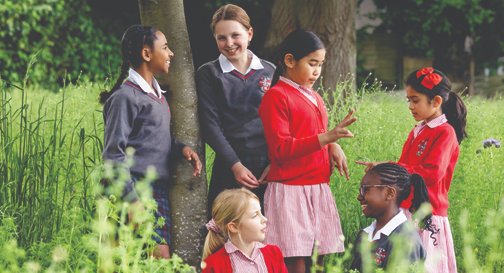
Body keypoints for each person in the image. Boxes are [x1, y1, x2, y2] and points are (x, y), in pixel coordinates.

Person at [257, 30, 356, 273]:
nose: (317, 71)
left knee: (318, 261)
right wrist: (328, 138)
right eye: (312, 64)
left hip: (317, 187)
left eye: (320, 65)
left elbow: (316, 133)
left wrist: (334, 144)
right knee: (295, 261)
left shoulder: (315, 97)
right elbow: (281, 149)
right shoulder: (276, 96)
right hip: (291, 191)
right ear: (289, 61)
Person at [100, 25, 202, 258]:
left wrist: (181, 148)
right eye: (165, 48)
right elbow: (113, 155)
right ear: (147, 54)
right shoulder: (126, 97)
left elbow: (151, 137)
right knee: (156, 259)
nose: (171, 53)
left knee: (152, 260)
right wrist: (132, 201)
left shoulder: (156, 94)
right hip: (134, 187)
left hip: (156, 189)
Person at [356, 67, 467, 272]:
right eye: (408, 100)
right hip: (406, 210)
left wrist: (393, 167)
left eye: (415, 100)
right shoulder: (417, 131)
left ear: (436, 102)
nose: (410, 106)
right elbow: (405, 170)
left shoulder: (445, 132)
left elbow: (432, 173)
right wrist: (384, 169)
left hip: (427, 214)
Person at [196, 4, 276, 209]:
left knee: (266, 231)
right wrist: (235, 165)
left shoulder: (270, 71)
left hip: (269, 170)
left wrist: (275, 164)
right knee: (226, 231)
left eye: (235, 35)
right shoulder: (208, 74)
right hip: (229, 168)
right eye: (221, 38)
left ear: (249, 33)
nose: (229, 43)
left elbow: (281, 121)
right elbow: (210, 125)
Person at [350, 163, 428, 272]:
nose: (359, 197)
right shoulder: (364, 234)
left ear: (389, 193)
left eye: (366, 190)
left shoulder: (406, 241)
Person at [201, 188, 288, 273]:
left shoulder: (274, 254)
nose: (264, 219)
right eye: (255, 215)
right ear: (234, 227)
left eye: (261, 212)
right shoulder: (214, 265)